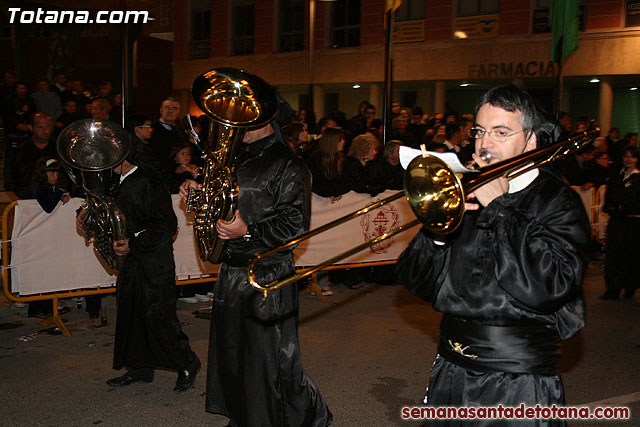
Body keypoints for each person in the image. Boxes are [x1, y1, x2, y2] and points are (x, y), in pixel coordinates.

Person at [396, 85, 590, 425]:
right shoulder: (463, 190)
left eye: (501, 132)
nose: (485, 145)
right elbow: (416, 282)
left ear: (530, 141)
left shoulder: (557, 200)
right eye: (480, 132)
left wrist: (500, 209)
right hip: (452, 369)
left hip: (517, 383)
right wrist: (437, 234)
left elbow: (549, 288)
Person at [180, 90, 331, 426]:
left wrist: (246, 232)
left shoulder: (287, 163)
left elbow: (295, 226)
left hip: (267, 276)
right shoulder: (235, 158)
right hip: (232, 273)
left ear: (265, 120)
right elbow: (226, 202)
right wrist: (197, 194)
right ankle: (244, 417)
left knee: (269, 360)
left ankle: (288, 418)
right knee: (233, 354)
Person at [77, 146, 201, 392]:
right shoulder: (114, 181)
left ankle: (187, 363)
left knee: (158, 314)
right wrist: (83, 214)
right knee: (131, 312)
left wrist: (133, 244)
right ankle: (140, 368)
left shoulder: (149, 181)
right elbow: (102, 209)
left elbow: (166, 226)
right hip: (131, 258)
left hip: (154, 258)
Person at [601, 146, 640, 300]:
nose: (628, 159)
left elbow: (629, 199)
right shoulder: (617, 176)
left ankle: (630, 286)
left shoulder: (637, 178)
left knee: (631, 255)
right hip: (617, 221)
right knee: (613, 254)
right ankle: (613, 288)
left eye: (632, 156)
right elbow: (610, 197)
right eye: (626, 156)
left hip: (634, 222)